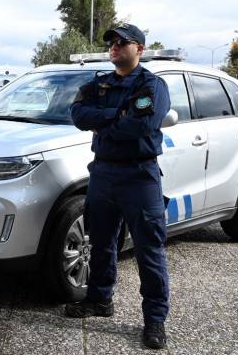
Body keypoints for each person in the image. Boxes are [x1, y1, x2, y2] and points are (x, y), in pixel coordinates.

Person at [67, 23, 171, 350]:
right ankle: (100, 299)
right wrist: (117, 115)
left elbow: (143, 123)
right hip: (103, 174)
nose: (114, 46)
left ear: (139, 48)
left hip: (139, 176)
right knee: (100, 243)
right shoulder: (99, 84)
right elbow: (78, 115)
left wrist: (104, 121)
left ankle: (154, 320)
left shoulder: (153, 85)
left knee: (148, 250)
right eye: (111, 42)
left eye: (122, 42)